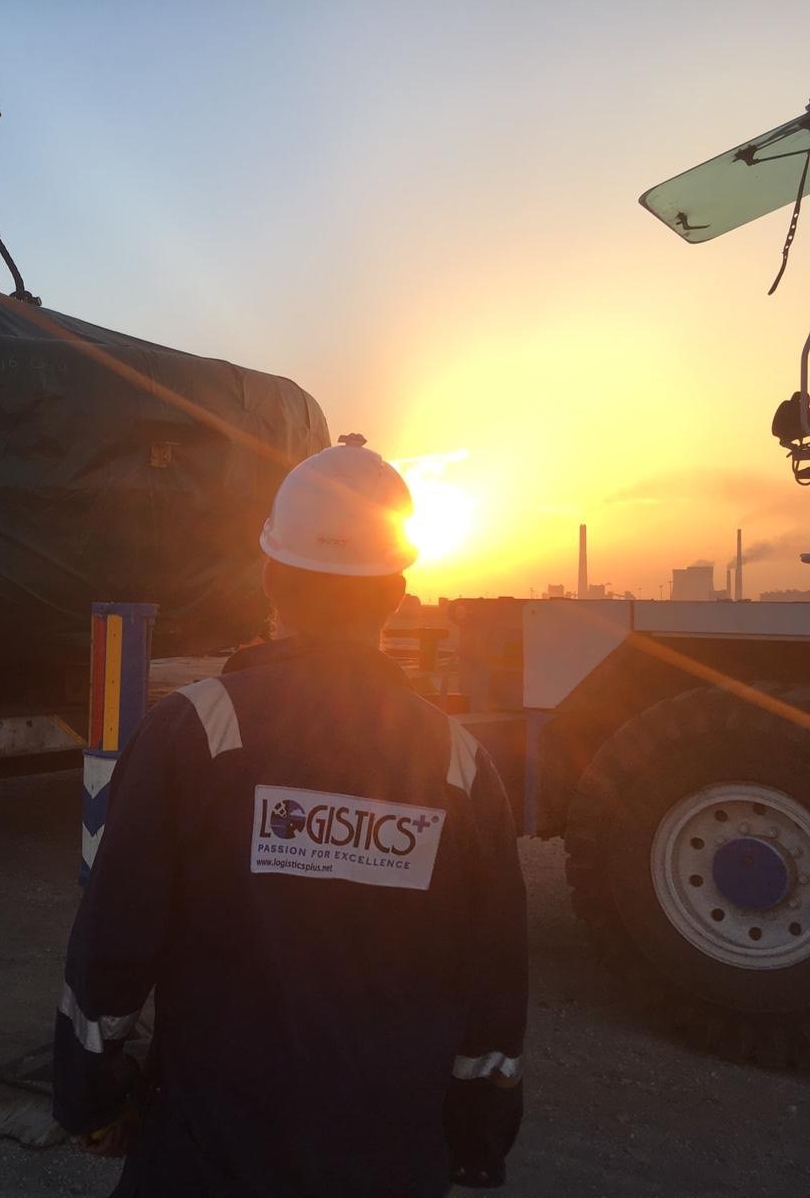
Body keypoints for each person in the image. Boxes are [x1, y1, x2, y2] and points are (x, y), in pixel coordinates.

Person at [53, 434, 528, 1197]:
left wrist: (91, 1104)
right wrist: (475, 1138)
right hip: (390, 1160)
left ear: (271, 577)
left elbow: (112, 946)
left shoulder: (195, 733)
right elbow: (496, 979)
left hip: (207, 1155)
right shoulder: (458, 765)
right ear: (397, 594)